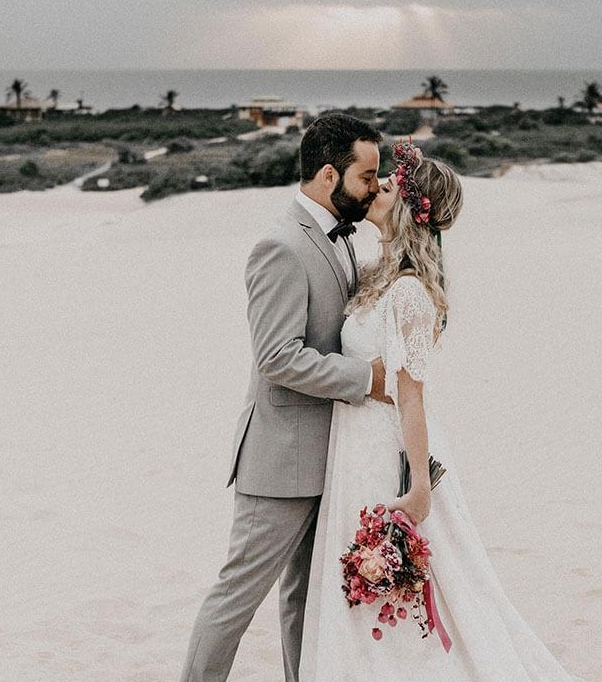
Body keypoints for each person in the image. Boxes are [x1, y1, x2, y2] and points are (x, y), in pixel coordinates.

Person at [298, 142, 581, 681]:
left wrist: (421, 489)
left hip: (384, 450)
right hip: (352, 444)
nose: (377, 189)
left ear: (408, 207)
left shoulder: (408, 293)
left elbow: (411, 395)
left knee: (406, 585)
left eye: (388, 187)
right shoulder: (378, 274)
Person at [179, 113, 392, 682]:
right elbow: (276, 357)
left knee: (305, 599)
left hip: (331, 456)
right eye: (367, 177)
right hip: (280, 458)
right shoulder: (279, 246)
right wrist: (364, 379)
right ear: (329, 175)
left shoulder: (342, 238)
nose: (375, 187)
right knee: (235, 601)